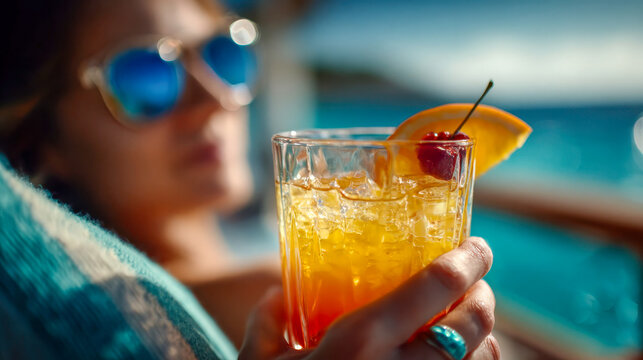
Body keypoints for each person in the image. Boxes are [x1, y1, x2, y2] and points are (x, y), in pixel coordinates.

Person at [0, 0, 499, 358]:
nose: (213, 98)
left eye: (223, 54)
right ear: (45, 141)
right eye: (144, 76)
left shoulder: (274, 264)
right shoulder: (287, 300)